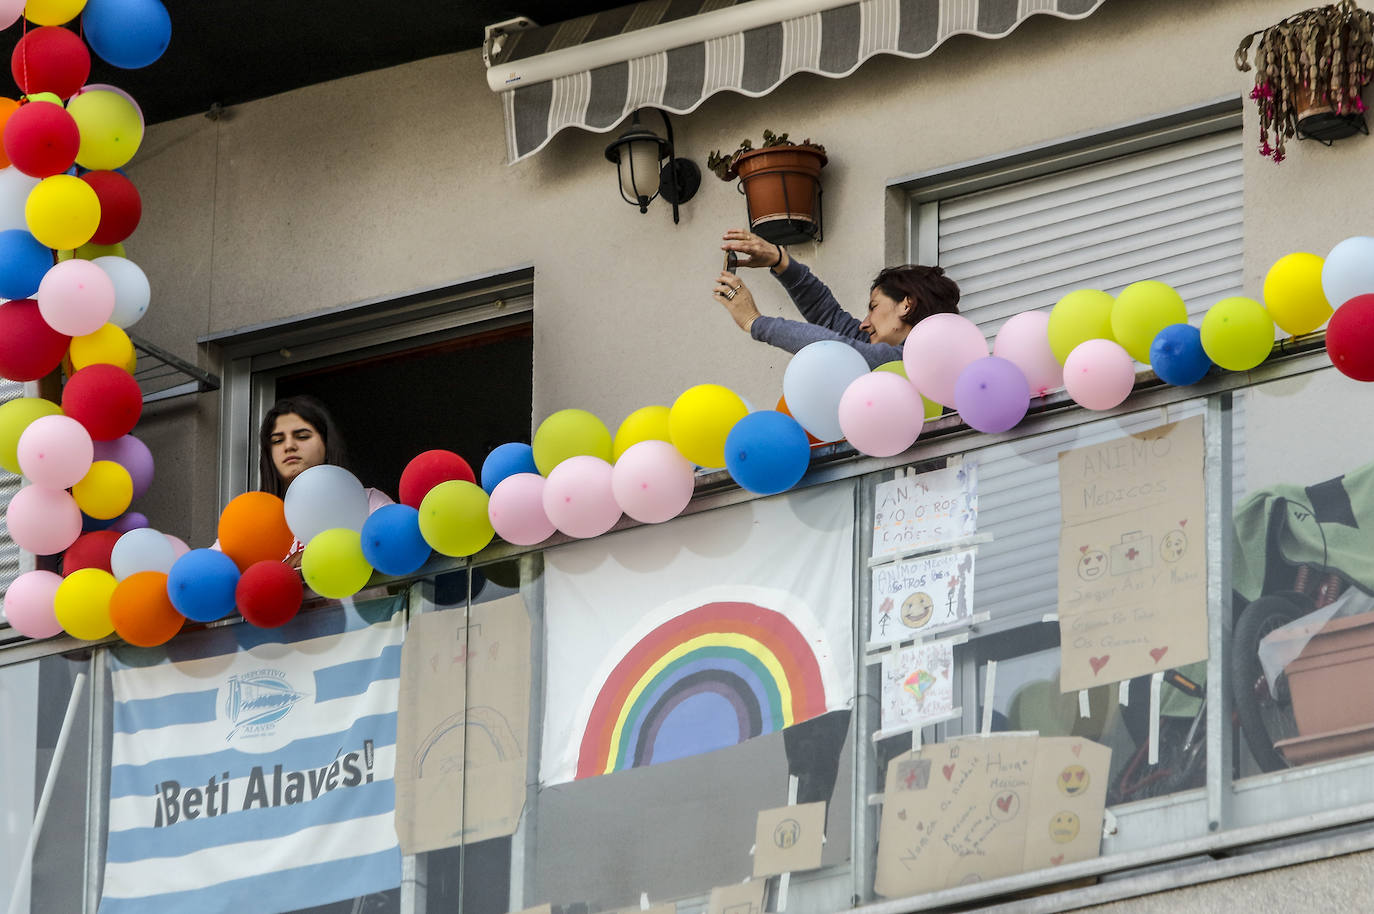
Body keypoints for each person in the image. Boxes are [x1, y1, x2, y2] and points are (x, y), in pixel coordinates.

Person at [713, 228, 962, 369]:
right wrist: (780, 261)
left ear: (906, 304)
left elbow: (836, 347)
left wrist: (755, 322)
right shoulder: (891, 357)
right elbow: (829, 317)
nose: (864, 323)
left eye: (874, 307)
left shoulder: (912, 362)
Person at [259, 394, 393, 562]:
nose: (289, 446)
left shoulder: (368, 502)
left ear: (326, 443)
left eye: (302, 436)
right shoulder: (256, 524)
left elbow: (398, 547)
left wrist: (317, 557)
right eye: (277, 440)